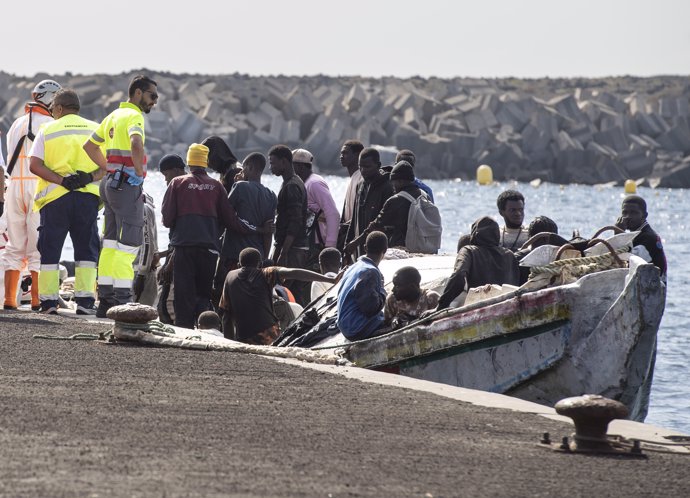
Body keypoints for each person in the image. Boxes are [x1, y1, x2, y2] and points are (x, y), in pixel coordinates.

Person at [83, 74, 158, 317]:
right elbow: (137, 144)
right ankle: (125, 300)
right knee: (129, 244)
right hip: (126, 186)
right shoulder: (134, 116)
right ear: (137, 93)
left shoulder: (113, 116)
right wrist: (139, 173)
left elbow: (90, 146)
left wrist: (108, 168)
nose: (154, 102)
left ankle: (105, 301)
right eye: (151, 96)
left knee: (110, 243)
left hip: (109, 184)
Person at [27, 88, 104, 315]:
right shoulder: (94, 128)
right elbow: (107, 166)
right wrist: (88, 178)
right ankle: (85, 303)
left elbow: (35, 165)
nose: (52, 113)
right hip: (87, 198)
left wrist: (62, 180)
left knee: (50, 251)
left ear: (59, 108)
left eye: (53, 109)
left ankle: (49, 303)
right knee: (86, 251)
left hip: (55, 199)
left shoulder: (47, 129)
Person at [161, 143, 254, 329]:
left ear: (189, 162)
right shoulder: (217, 187)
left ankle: (183, 332)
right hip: (210, 250)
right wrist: (255, 230)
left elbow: (167, 219)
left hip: (184, 248)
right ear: (205, 162)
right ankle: (205, 330)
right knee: (203, 294)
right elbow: (230, 220)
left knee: (183, 294)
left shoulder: (177, 184)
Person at [3, 79, 61, 310]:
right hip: (38, 185)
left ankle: (9, 300)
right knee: (38, 246)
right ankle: (37, 299)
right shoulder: (49, 124)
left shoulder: (16, 124)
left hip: (14, 186)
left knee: (14, 245)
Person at [219, 247, 336, 345]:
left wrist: (230, 345)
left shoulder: (230, 277)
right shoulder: (265, 273)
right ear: (260, 264)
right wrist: (329, 280)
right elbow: (294, 272)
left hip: (243, 337)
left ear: (239, 264)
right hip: (268, 336)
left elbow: (226, 316)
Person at [214, 152, 277, 306]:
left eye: (244, 168)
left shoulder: (240, 186)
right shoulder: (271, 195)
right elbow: (268, 232)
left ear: (249, 167)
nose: (241, 172)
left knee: (224, 297)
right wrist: (263, 257)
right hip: (256, 258)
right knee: (249, 300)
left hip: (233, 255)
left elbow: (226, 216)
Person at [437, 217, 520, 310]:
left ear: (474, 234)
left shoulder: (468, 251)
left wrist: (441, 306)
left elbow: (459, 276)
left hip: (478, 307)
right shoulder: (510, 255)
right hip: (509, 307)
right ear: (497, 235)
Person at [345, 160, 421, 253]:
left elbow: (375, 226)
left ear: (400, 181)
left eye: (393, 181)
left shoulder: (395, 200)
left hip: (400, 249)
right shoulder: (423, 196)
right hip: (420, 245)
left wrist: (355, 243)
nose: (392, 186)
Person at [268, 144, 310, 305]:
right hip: (293, 247)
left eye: (273, 163)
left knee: (284, 293)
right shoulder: (292, 181)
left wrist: (283, 251)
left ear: (284, 162)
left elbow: (296, 220)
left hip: (293, 249)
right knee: (294, 294)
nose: (271, 167)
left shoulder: (292, 185)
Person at [292, 148, 340, 268]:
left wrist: (330, 246)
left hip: (316, 245)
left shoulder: (315, 184)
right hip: (306, 244)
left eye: (291, 165)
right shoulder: (304, 183)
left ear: (300, 167)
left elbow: (332, 213)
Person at [336, 231, 388, 340]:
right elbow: (370, 309)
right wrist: (383, 290)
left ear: (365, 248)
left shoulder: (353, 267)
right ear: (385, 251)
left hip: (347, 326)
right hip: (357, 329)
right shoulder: (370, 271)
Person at [154, 154, 187, 324]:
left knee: (167, 299)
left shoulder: (179, 189)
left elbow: (171, 225)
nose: (166, 181)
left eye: (166, 175)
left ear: (176, 170)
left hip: (180, 251)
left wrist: (170, 260)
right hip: (181, 249)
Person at [344, 148, 393, 260]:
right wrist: (347, 243)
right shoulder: (360, 185)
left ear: (378, 165)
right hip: (359, 248)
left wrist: (357, 241)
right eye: (360, 166)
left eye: (367, 167)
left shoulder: (387, 187)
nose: (363, 170)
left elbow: (381, 221)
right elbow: (355, 218)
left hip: (378, 249)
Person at [616, 195, 667, 280]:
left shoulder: (649, 238)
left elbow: (627, 263)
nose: (628, 216)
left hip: (652, 290)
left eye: (634, 213)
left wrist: (618, 236)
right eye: (625, 213)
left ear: (644, 215)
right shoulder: (636, 235)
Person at [337, 140, 365, 251]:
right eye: (341, 153)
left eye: (346, 153)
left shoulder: (361, 179)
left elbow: (361, 212)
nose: (341, 156)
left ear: (357, 156)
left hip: (356, 236)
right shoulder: (353, 178)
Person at [132, 191, 158, 306]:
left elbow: (147, 243)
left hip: (140, 272)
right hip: (134, 270)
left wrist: (141, 274)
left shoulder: (143, 208)